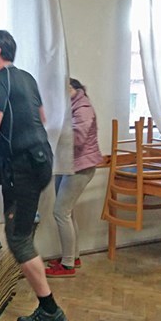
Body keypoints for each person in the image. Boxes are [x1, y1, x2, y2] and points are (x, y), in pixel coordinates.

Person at [0, 30, 68, 321]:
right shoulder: (26, 78)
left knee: (19, 239)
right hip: (35, 159)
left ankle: (50, 310)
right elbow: (41, 117)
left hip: (23, 167)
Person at [46, 78, 102, 277]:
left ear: (76, 89)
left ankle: (68, 265)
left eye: (67, 89)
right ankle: (73, 257)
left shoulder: (83, 107)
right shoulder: (69, 106)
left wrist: (54, 129)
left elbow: (77, 139)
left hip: (80, 167)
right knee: (67, 213)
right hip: (67, 164)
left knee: (61, 212)